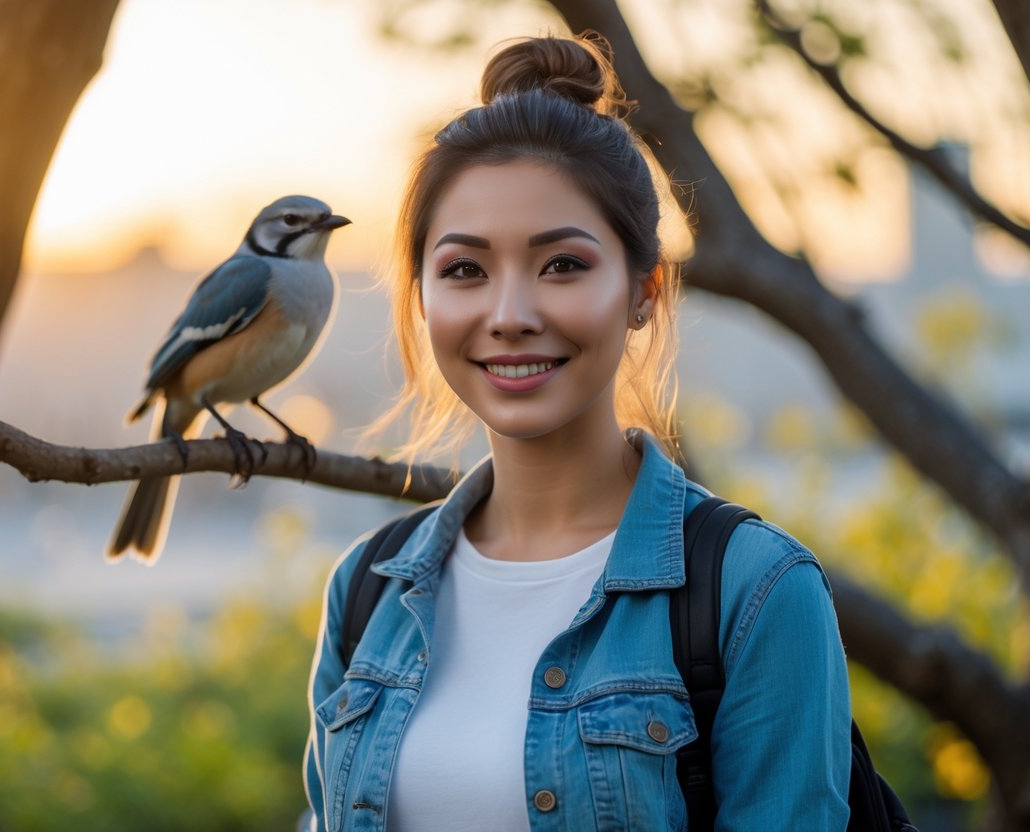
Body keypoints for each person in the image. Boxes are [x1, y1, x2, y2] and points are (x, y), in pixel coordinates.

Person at [303, 33, 851, 831]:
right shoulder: (367, 591)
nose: (510, 315)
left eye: (561, 264)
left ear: (643, 291)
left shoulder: (754, 592)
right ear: (421, 295)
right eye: (464, 270)